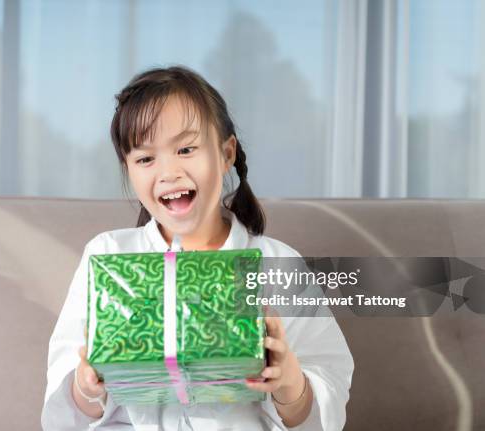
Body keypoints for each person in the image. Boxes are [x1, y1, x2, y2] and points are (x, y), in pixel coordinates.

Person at [41, 66, 354, 430]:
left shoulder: (278, 263)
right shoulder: (106, 256)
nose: (168, 171)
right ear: (129, 170)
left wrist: (290, 384)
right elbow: (67, 409)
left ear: (226, 154)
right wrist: (86, 386)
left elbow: (324, 400)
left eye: (186, 149)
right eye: (145, 158)